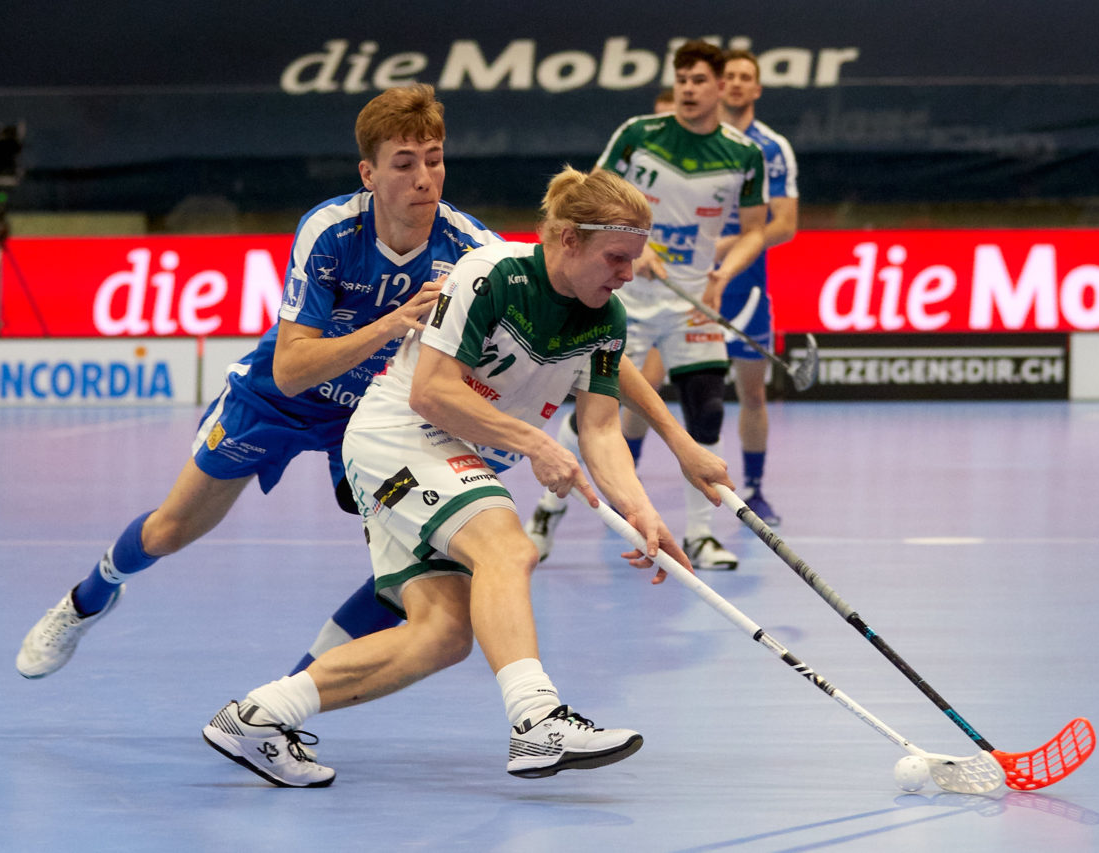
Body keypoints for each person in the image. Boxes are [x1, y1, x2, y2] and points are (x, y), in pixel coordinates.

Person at [202, 166, 690, 786]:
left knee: (443, 635)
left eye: (633, 259)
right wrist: (532, 442)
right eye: (616, 257)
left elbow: (598, 430)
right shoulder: (489, 274)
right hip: (398, 438)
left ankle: (258, 717)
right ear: (568, 240)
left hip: (451, 455)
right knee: (508, 548)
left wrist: (640, 512)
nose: (627, 273)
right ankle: (536, 722)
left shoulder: (605, 318)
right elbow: (431, 393)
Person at [15, 85, 496, 680]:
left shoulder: (473, 249)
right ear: (369, 174)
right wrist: (392, 323)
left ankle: (283, 704)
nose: (425, 177)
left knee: (415, 555)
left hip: (371, 417)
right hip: (275, 400)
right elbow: (292, 370)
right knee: (171, 529)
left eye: (435, 158)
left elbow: (545, 329)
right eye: (405, 163)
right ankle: (86, 599)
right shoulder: (330, 232)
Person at [524, 39, 768, 571]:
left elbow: (755, 231)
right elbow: (588, 197)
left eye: (699, 80)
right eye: (681, 79)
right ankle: (545, 512)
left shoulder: (745, 155)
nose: (687, 88)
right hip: (626, 291)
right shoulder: (638, 135)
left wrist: (722, 273)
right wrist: (635, 242)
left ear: (721, 87)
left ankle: (701, 535)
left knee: (706, 406)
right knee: (598, 406)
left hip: (692, 301)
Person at [713, 49, 800, 526]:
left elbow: (785, 224)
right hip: (687, 280)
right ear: (718, 85)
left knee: (752, 392)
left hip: (745, 286)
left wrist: (730, 246)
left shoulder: (772, 148)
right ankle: (627, 487)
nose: (738, 84)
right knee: (649, 384)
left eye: (747, 77)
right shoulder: (695, 142)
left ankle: (754, 490)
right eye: (731, 77)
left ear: (758, 88)